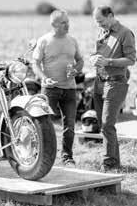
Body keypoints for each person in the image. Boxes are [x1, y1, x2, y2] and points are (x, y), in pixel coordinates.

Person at [32, 9, 84, 167]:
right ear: (54, 24)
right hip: (50, 90)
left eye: (68, 22)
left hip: (69, 89)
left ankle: (67, 157)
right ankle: (39, 155)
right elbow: (35, 63)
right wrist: (43, 78)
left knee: (70, 125)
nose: (67, 25)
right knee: (43, 124)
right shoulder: (44, 41)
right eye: (63, 23)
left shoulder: (72, 41)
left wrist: (76, 70)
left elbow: (80, 61)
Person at [90, 6, 136, 171]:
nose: (99, 25)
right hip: (99, 82)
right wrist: (93, 58)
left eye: (101, 21)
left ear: (110, 16)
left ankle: (108, 165)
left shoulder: (125, 33)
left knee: (108, 124)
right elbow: (95, 53)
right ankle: (115, 163)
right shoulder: (102, 32)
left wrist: (109, 62)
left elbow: (131, 60)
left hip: (116, 82)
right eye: (96, 22)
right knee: (104, 125)